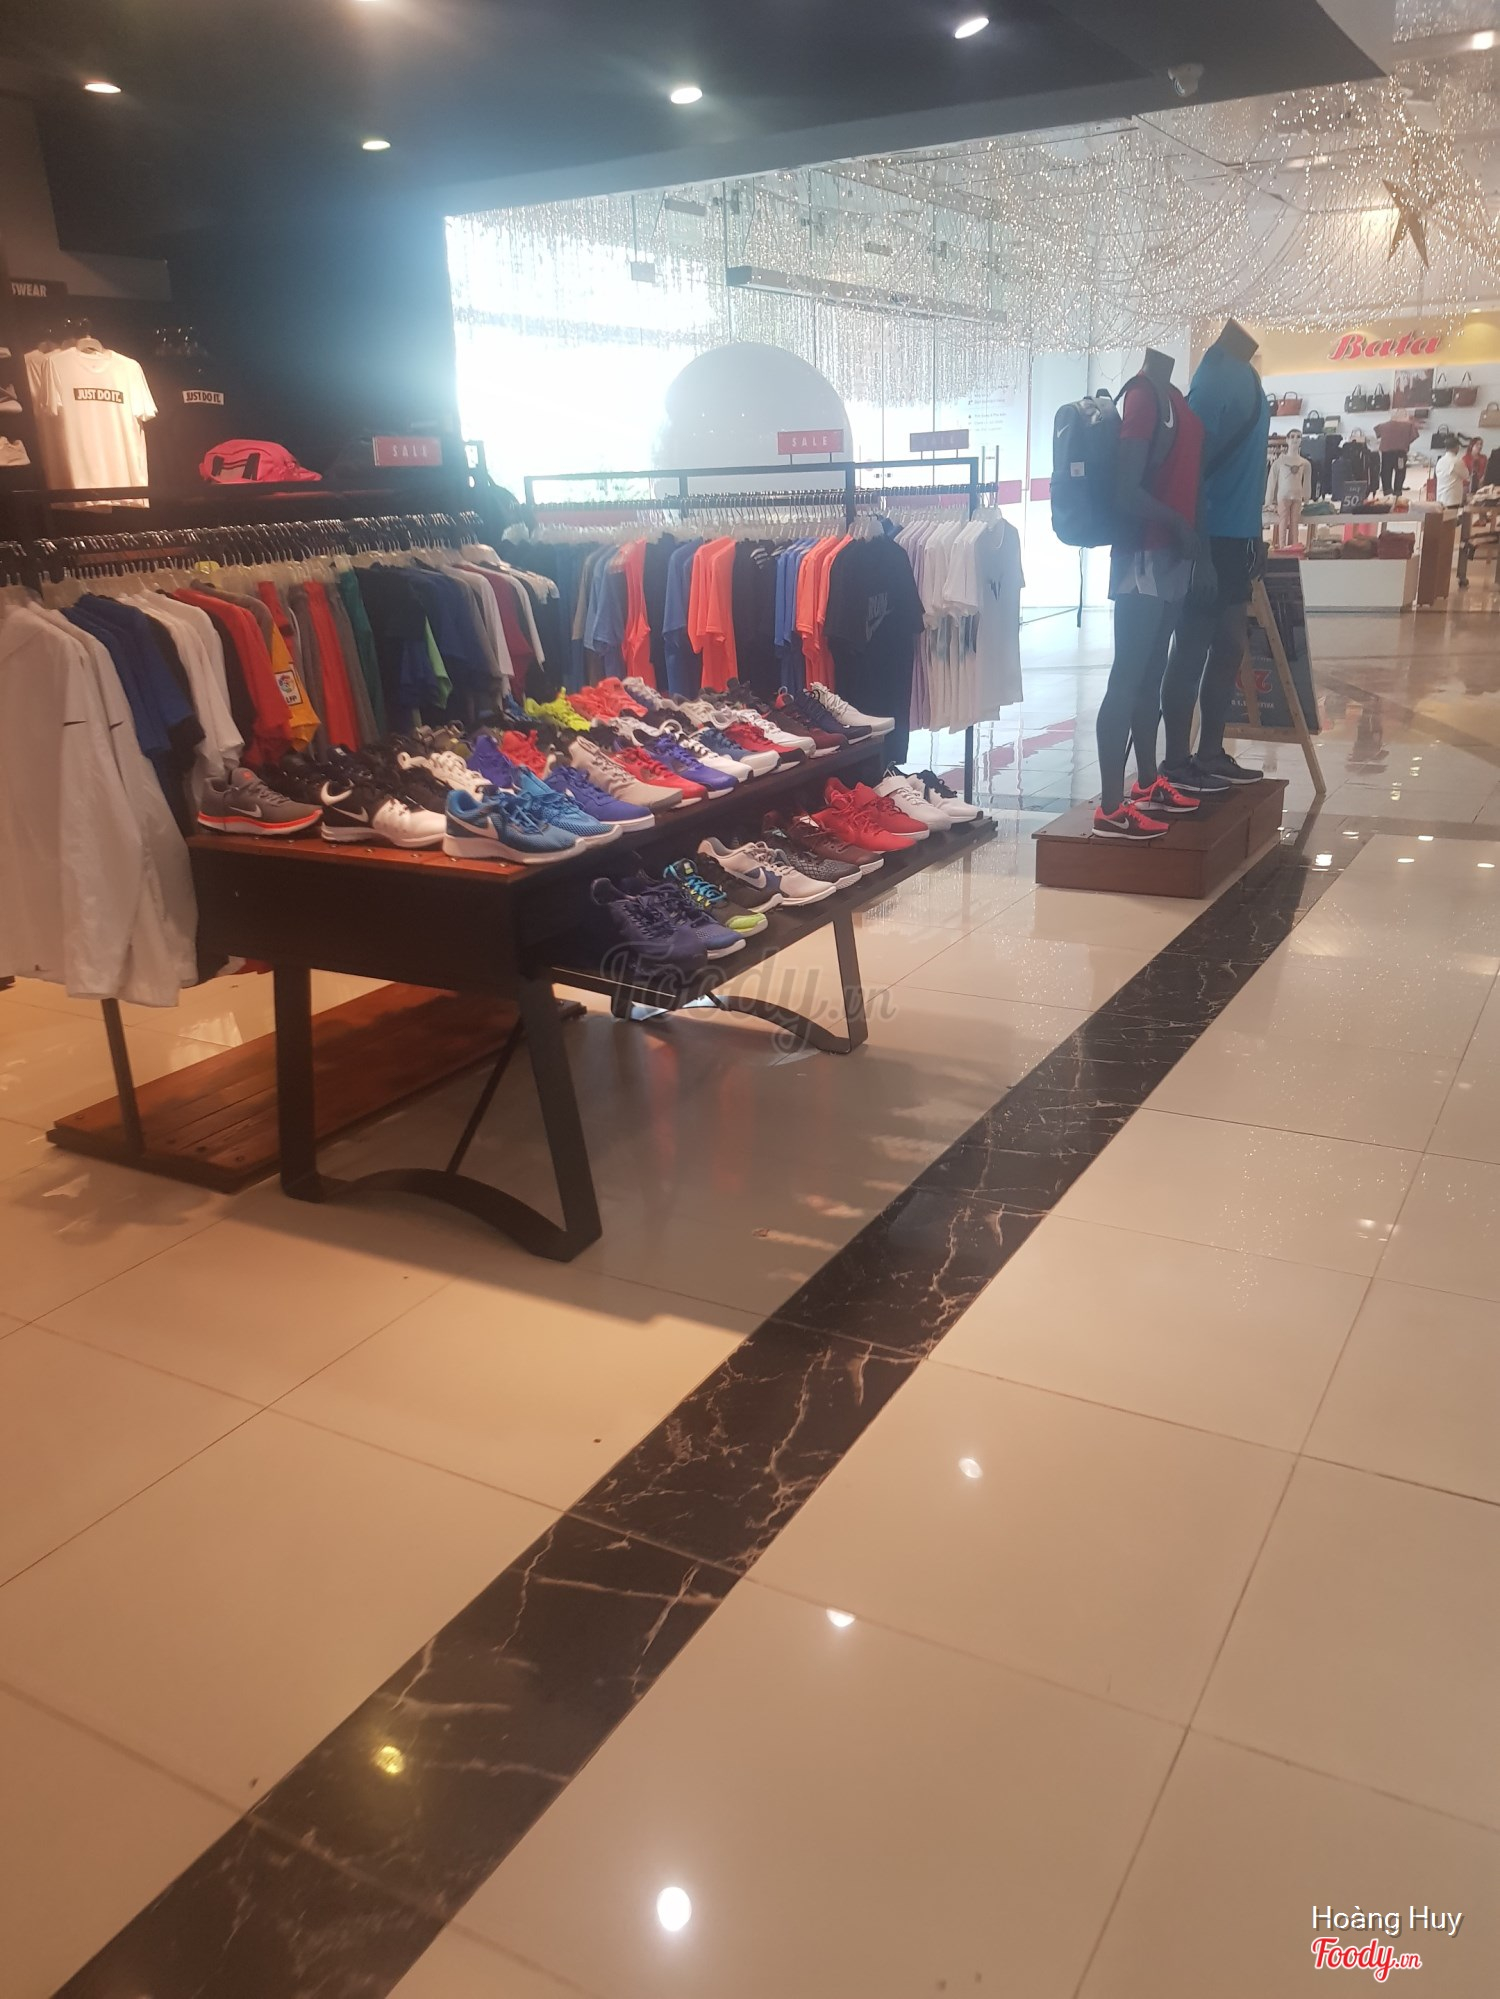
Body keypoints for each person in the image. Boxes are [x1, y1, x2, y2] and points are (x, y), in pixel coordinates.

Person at [1092, 348, 1205, 841]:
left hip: (1169, 554)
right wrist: (1177, 524)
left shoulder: (1172, 396)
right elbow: (1125, 491)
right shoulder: (1142, 396)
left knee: (1150, 675)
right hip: (1143, 554)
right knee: (1127, 678)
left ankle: (1146, 781)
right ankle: (1110, 808)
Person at [1158, 318, 1271, 795]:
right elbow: (1193, 470)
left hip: (1236, 536)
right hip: (1210, 535)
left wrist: (1255, 532)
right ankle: (1176, 760)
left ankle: (1209, 753)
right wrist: (1200, 553)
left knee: (1229, 646)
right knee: (1191, 648)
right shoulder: (1213, 379)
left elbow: (1251, 466)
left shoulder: (1246, 375)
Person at [1374, 413, 1419, 496]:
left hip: (1386, 453)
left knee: (1386, 472)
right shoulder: (1408, 426)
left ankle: (1387, 491)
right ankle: (1398, 491)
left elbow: (1376, 431)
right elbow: (1414, 436)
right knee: (1400, 472)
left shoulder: (1383, 426)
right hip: (1400, 453)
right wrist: (1406, 442)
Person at [1435, 443, 1469, 508]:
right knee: (1453, 514)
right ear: (1457, 447)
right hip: (1452, 499)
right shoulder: (1457, 461)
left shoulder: (1440, 461)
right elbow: (1466, 475)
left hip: (1440, 498)